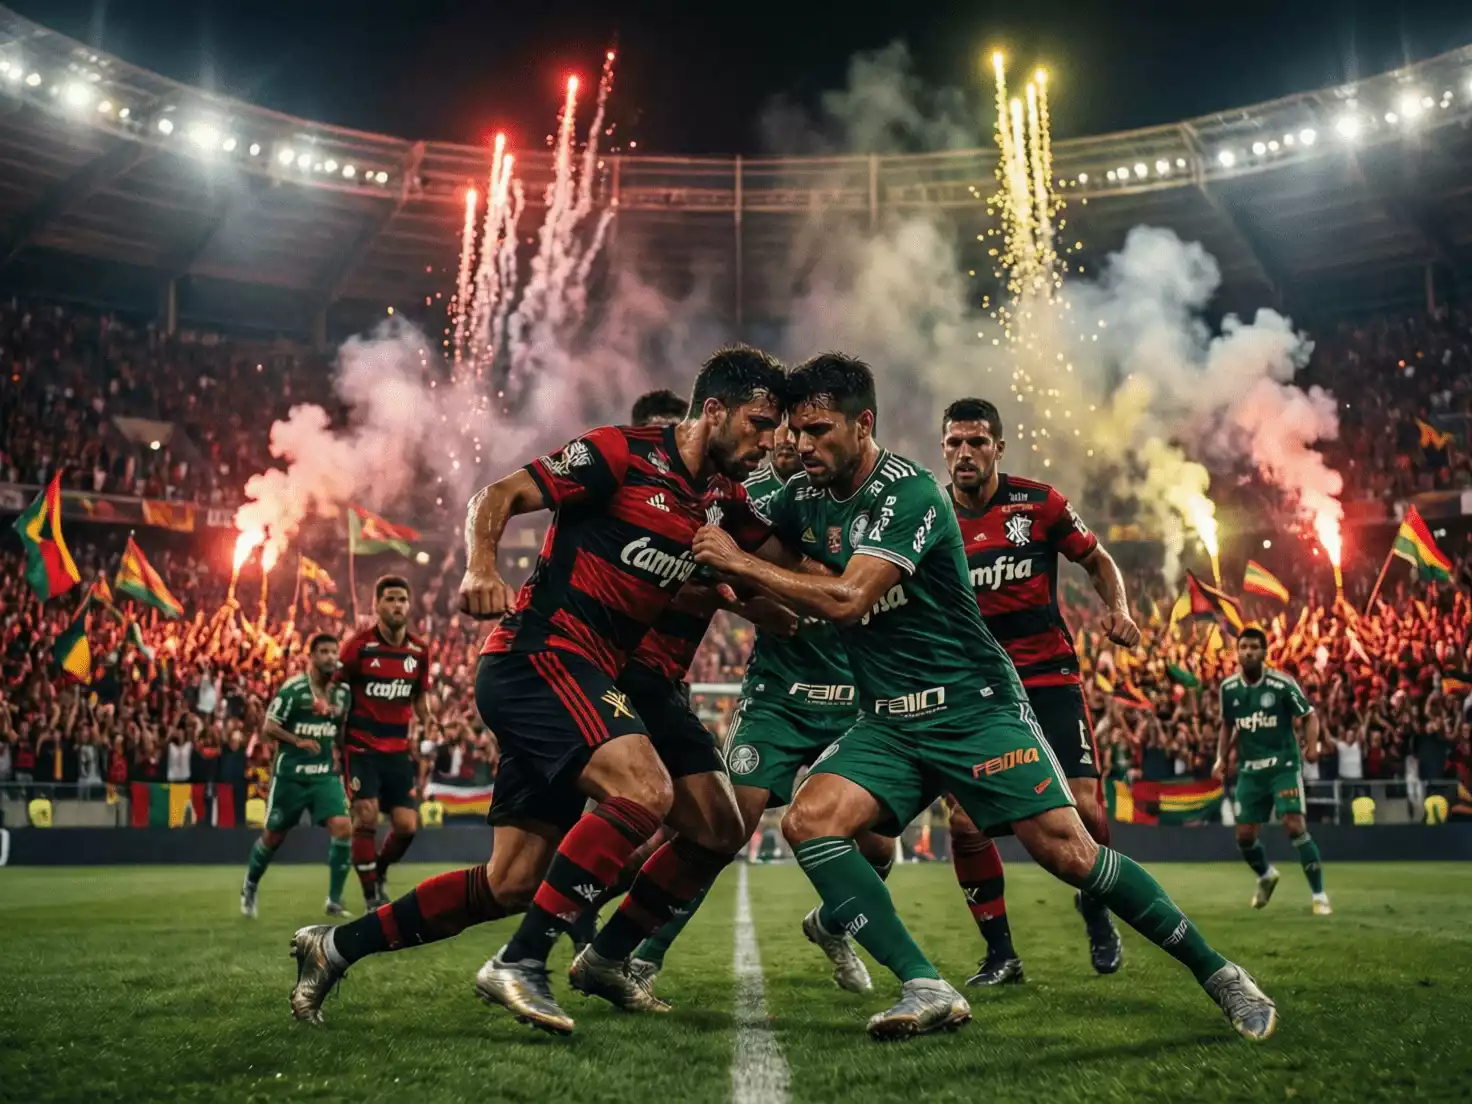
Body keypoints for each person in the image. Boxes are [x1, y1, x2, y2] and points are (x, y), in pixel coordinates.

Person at [691, 352, 1275, 1042]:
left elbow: (848, 599)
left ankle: (1221, 974)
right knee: (809, 821)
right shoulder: (804, 498)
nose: (804, 445)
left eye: (820, 431)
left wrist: (738, 562)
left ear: (863, 425)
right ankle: (926, 985)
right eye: (796, 431)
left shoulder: (909, 493)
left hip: (972, 705)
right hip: (889, 721)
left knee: (1070, 853)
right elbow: (736, 518)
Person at [287, 345, 785, 1031]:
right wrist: (480, 567)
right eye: (761, 424)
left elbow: (789, 560)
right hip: (539, 656)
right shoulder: (619, 453)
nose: (771, 442)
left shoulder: (723, 499)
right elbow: (498, 495)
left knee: (514, 880)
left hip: (588, 678)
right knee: (645, 789)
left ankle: (335, 946)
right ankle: (522, 963)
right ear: (716, 411)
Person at [615, 417, 882, 998]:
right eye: (778, 430)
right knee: (725, 828)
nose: (788, 442)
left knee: (880, 845)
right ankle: (643, 954)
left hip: (853, 696)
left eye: (802, 430)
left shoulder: (866, 498)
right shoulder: (746, 501)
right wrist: (747, 595)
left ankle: (833, 927)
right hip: (778, 697)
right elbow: (696, 573)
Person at [564, 391, 796, 1012]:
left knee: (707, 830)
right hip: (613, 678)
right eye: (657, 438)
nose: (671, 450)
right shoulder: (625, 494)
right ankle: (557, 936)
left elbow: (764, 569)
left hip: (666, 684)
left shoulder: (716, 501)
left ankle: (591, 939)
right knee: (637, 826)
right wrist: (729, 591)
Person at [939, 397, 1138, 985]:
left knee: (1086, 809)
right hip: (977, 691)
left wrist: (1120, 609)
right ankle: (1001, 955)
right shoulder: (929, 516)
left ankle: (1096, 906)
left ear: (998, 448)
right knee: (964, 823)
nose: (965, 453)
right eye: (954, 443)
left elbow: (1098, 560)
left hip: (1048, 676)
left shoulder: (1039, 503)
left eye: (977, 442)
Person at [337, 576, 438, 909]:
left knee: (407, 826)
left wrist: (427, 718)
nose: (397, 605)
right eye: (391, 599)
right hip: (361, 748)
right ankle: (371, 899)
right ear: (376, 605)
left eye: (402, 600)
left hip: (397, 752)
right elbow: (336, 688)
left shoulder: (419, 651)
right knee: (365, 817)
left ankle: (378, 871)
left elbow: (419, 696)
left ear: (409, 605)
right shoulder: (357, 647)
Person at [1213, 626, 1330, 916]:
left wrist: (1312, 747)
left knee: (1294, 825)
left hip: (1283, 766)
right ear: (1237, 652)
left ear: (1264, 652)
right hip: (1250, 770)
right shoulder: (1228, 689)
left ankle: (1319, 896)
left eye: (1254, 647)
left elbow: (1310, 716)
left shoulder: (1282, 684)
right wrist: (1221, 758)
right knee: (1244, 836)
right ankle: (1266, 875)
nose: (1248, 652)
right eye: (1243, 647)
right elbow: (1228, 725)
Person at [241, 633, 354, 918]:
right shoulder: (293, 689)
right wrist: (298, 741)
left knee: (343, 827)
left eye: (334, 652)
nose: (330, 657)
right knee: (273, 837)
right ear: (312, 656)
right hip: (290, 777)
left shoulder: (343, 693)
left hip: (324, 775)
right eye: (324, 651)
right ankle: (250, 885)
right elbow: (269, 727)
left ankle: (334, 900)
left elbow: (341, 732)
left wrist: (347, 760)